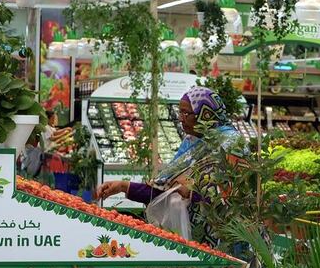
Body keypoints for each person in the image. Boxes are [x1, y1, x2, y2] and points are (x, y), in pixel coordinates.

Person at [95, 86, 242, 246]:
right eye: (180, 112)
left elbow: (236, 194)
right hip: (195, 241)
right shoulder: (192, 143)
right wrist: (123, 186)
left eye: (187, 113)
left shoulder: (230, 144)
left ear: (206, 114)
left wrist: (193, 194)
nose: (181, 118)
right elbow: (164, 188)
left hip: (227, 239)